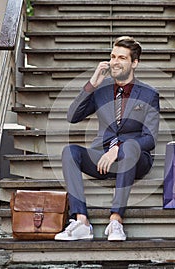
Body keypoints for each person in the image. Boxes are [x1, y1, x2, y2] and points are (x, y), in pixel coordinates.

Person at [55, 36, 160, 241]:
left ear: (134, 62)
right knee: (70, 152)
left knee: (129, 146)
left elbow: (150, 139)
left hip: (135, 160)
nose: (115, 62)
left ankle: (116, 220)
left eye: (122, 57)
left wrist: (118, 150)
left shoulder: (148, 94)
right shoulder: (101, 91)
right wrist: (93, 83)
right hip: (102, 160)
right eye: (113, 56)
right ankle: (81, 220)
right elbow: (72, 116)